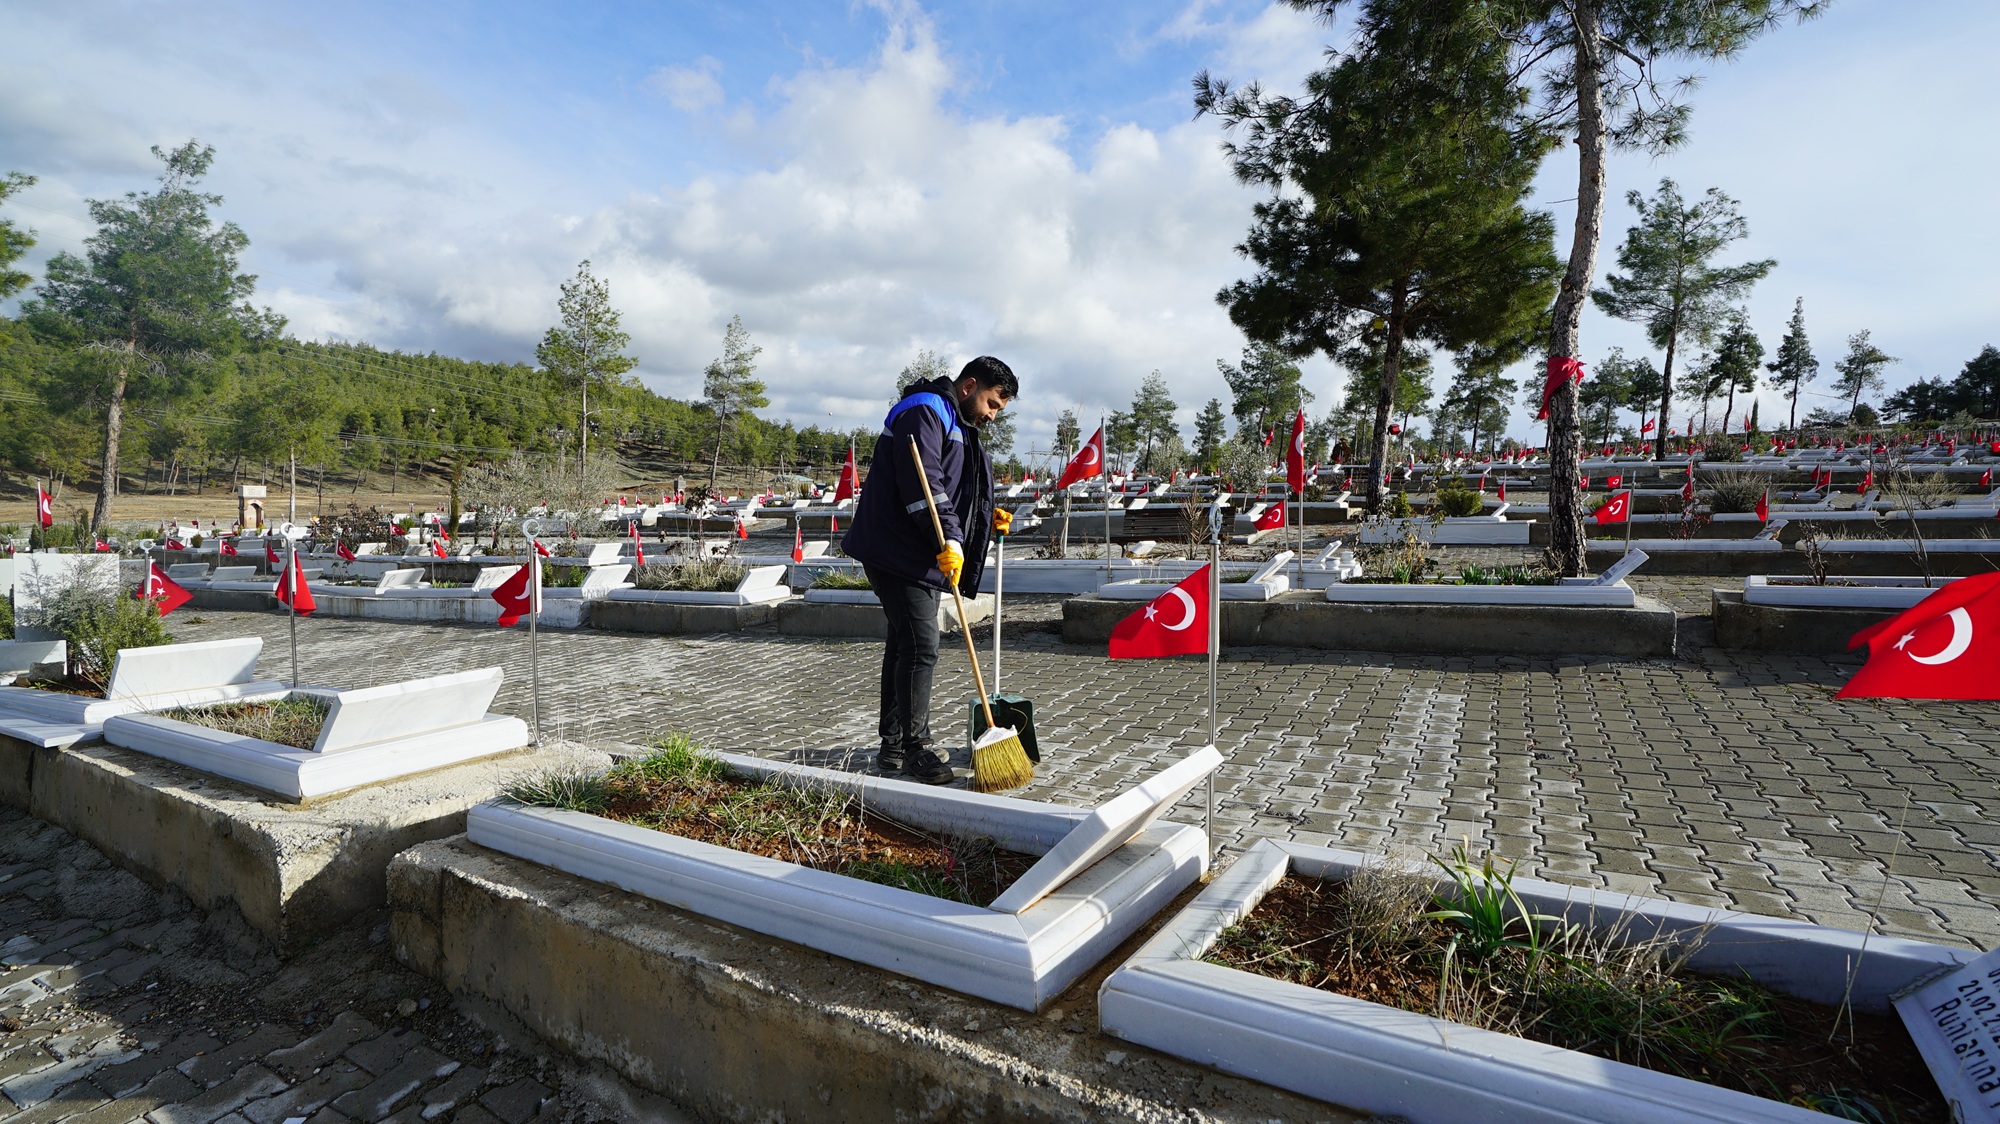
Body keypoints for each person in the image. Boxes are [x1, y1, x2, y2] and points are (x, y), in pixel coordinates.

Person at [842, 357, 1017, 784]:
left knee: (905, 643)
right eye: (992, 403)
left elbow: (961, 484)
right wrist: (951, 539)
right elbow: (924, 481)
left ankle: (893, 748)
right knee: (922, 644)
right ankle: (916, 749)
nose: (992, 416)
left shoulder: (958, 423)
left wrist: (983, 517)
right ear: (969, 385)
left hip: (920, 550)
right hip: (896, 547)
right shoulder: (925, 409)